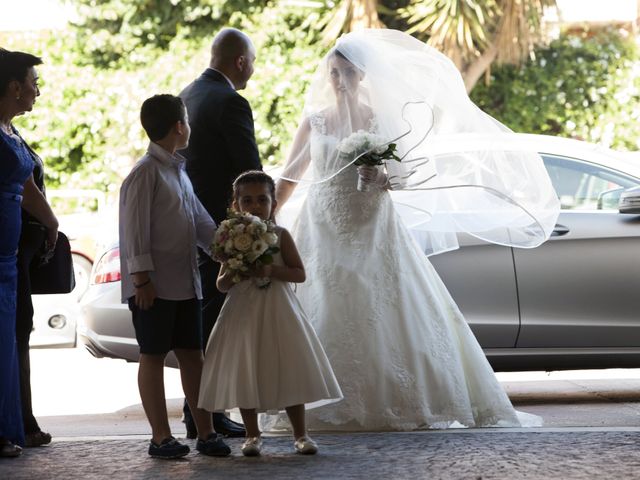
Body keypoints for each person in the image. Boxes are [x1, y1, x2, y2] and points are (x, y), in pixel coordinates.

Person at [271, 29, 560, 431]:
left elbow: (401, 175)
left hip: (372, 222)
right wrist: (269, 213)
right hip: (323, 224)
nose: (339, 81)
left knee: (384, 304)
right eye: (334, 73)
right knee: (323, 301)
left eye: (347, 73)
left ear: (361, 76)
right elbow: (291, 173)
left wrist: (380, 177)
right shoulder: (315, 121)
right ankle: (313, 397)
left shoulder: (376, 118)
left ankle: (392, 398)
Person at [198, 171, 342, 456]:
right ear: (236, 205)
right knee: (246, 367)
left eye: (262, 199)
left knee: (288, 367)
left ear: (273, 203)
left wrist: (270, 270)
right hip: (243, 312)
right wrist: (234, 272)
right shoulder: (230, 237)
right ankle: (252, 434)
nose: (255, 206)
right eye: (247, 200)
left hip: (278, 309)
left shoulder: (280, 235)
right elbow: (221, 283)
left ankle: (301, 434)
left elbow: (299, 273)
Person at [119, 94, 230, 458]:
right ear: (179, 126)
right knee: (152, 355)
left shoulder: (178, 171)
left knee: (193, 355)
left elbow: (200, 222)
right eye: (187, 120)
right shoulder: (144, 172)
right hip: (154, 285)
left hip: (186, 281)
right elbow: (134, 230)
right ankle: (160, 437)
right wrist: (141, 280)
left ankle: (206, 431)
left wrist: (230, 251)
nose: (189, 125)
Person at [179, 27, 262, 438]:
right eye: (253, 62)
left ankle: (198, 411)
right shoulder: (231, 102)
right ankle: (205, 415)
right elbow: (250, 172)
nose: (253, 70)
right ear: (240, 61)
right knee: (217, 321)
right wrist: (260, 223)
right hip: (221, 229)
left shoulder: (187, 95)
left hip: (189, 222)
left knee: (201, 318)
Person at [0, 49, 59, 457]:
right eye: (34, 83)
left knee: (9, 343)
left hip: (9, 260)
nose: (38, 91)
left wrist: (52, 222)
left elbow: (26, 187)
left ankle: (10, 426)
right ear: (15, 87)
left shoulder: (9, 130)